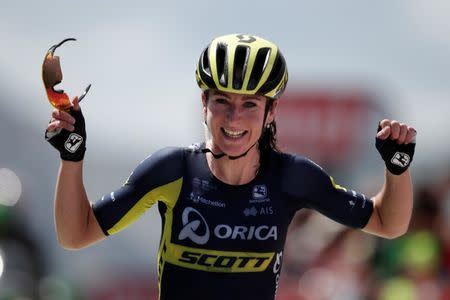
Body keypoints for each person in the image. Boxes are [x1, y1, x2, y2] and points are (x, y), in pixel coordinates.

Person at [44, 33, 417, 300]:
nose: (234, 117)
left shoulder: (292, 177)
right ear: (203, 104)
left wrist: (396, 169)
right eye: (222, 101)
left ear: (271, 113)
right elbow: (75, 234)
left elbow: (389, 223)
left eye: (251, 104)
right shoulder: (171, 170)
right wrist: (72, 158)